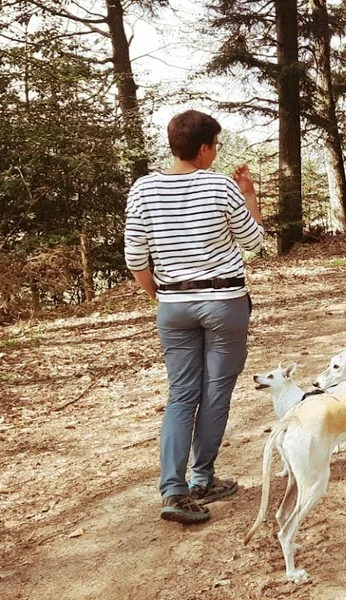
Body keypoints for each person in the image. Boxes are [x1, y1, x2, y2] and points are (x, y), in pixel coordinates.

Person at [124, 109, 264, 524]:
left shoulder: (143, 189)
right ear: (203, 148)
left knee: (181, 396)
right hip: (224, 304)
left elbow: (135, 257)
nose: (216, 154)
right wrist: (249, 196)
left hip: (173, 307)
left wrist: (160, 296)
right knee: (215, 394)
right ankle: (201, 478)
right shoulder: (220, 185)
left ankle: (173, 489)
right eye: (215, 146)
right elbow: (254, 243)